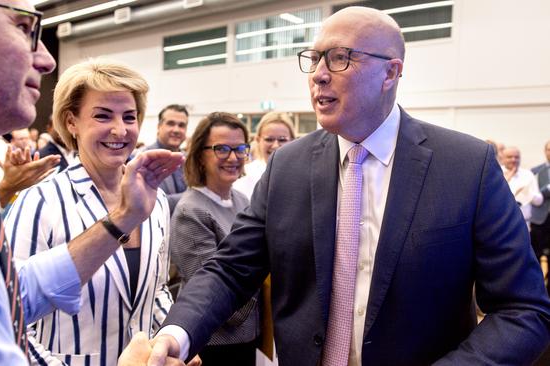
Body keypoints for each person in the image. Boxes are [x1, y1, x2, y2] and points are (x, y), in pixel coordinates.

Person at [149, 6, 550, 366]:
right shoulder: (287, 166)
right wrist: (175, 335)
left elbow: (523, 310)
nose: (319, 74)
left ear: (390, 73)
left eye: (340, 58)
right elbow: (231, 269)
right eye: (315, 58)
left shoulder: (466, 166)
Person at [0, 0, 181, 364]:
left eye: (129, 116)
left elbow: (9, 295)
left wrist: (121, 220)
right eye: (22, 27)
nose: (47, 60)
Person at [5, 60, 174, 365]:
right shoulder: (39, 202)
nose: (120, 130)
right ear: (71, 122)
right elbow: (12, 321)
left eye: (129, 117)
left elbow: (158, 289)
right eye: (102, 116)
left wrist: (172, 338)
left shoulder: (156, 199)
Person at [170, 112, 258, 365]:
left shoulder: (242, 200)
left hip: (247, 337)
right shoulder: (192, 211)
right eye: (222, 149)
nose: (233, 157)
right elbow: (210, 295)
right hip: (215, 345)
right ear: (199, 155)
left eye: (240, 148)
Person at [232, 111, 295, 199]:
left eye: (282, 140)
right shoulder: (245, 174)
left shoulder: (302, 176)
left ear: (292, 141)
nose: (275, 145)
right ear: (258, 140)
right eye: (269, 139)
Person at [144, 104, 189, 212]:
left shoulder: (190, 160)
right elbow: (152, 203)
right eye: (170, 123)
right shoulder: (144, 158)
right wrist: (196, 196)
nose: (176, 130)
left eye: (181, 125)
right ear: (159, 126)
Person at [502, 146, 543, 227]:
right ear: (502, 158)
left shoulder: (528, 174)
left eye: (516, 157)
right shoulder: (497, 173)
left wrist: (529, 193)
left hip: (524, 224)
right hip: (502, 223)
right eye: (509, 157)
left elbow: (539, 201)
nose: (513, 160)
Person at [531, 140, 550, 260]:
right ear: (545, 151)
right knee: (536, 254)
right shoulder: (535, 171)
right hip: (540, 219)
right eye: (549, 149)